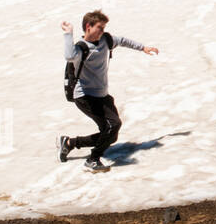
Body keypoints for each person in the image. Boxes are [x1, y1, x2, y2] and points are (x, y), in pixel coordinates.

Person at [58, 10, 159, 171]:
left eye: (104, 27)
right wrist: (68, 34)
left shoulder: (106, 40)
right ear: (88, 26)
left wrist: (143, 48)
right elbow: (69, 56)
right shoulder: (81, 48)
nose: (103, 31)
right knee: (113, 126)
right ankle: (93, 159)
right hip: (85, 96)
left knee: (111, 133)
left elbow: (123, 40)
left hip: (102, 95)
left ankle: (70, 143)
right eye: (100, 27)